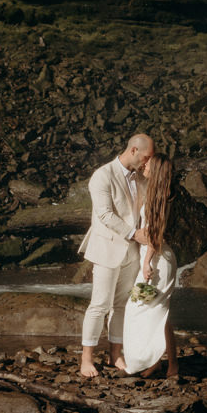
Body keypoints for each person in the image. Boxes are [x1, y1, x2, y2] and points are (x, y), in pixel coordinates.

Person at [78, 132, 155, 379]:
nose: (147, 162)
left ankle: (115, 354)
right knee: (99, 305)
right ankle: (86, 358)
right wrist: (135, 234)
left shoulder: (141, 177)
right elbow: (104, 215)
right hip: (107, 248)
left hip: (132, 251)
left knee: (122, 305)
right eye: (146, 157)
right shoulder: (102, 175)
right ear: (133, 150)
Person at [117, 153, 178, 378]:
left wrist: (146, 262)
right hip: (157, 258)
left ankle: (139, 363)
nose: (144, 166)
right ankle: (161, 363)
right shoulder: (157, 192)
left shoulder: (160, 195)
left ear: (157, 169)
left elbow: (155, 233)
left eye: (148, 164)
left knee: (137, 309)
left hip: (157, 261)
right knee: (158, 313)